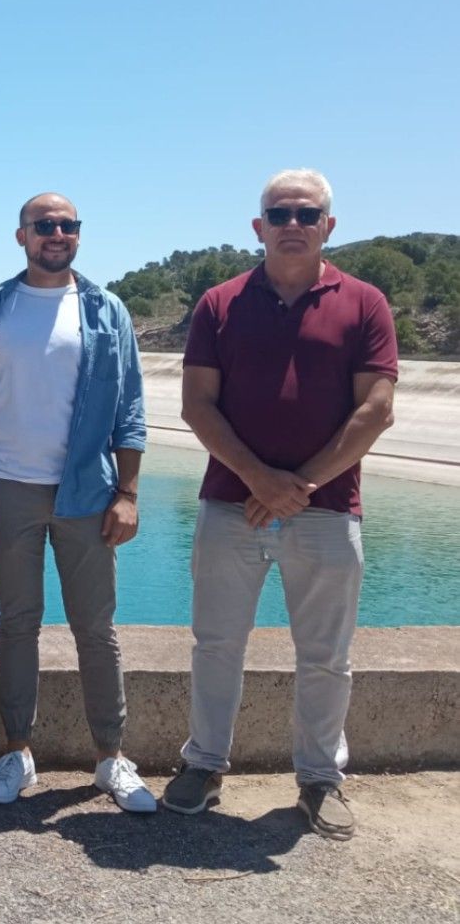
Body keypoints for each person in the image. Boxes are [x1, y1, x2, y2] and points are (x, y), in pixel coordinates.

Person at [161, 169, 397, 840]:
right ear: (258, 226)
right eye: (280, 213)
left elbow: (375, 409)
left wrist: (297, 486)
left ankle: (319, 779)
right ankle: (203, 764)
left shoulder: (365, 303)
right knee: (215, 645)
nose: (293, 223)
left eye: (306, 213)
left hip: (328, 508)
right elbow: (196, 405)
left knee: (325, 655)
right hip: (229, 505)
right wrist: (257, 479)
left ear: (328, 225)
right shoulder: (219, 303)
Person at [0, 193, 154, 813]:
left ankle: (111, 756)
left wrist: (127, 492)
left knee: (96, 628)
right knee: (18, 624)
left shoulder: (105, 310)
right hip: (6, 488)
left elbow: (130, 407)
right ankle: (17, 752)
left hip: (88, 491)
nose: (57, 234)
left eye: (68, 225)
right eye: (44, 225)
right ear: (22, 236)